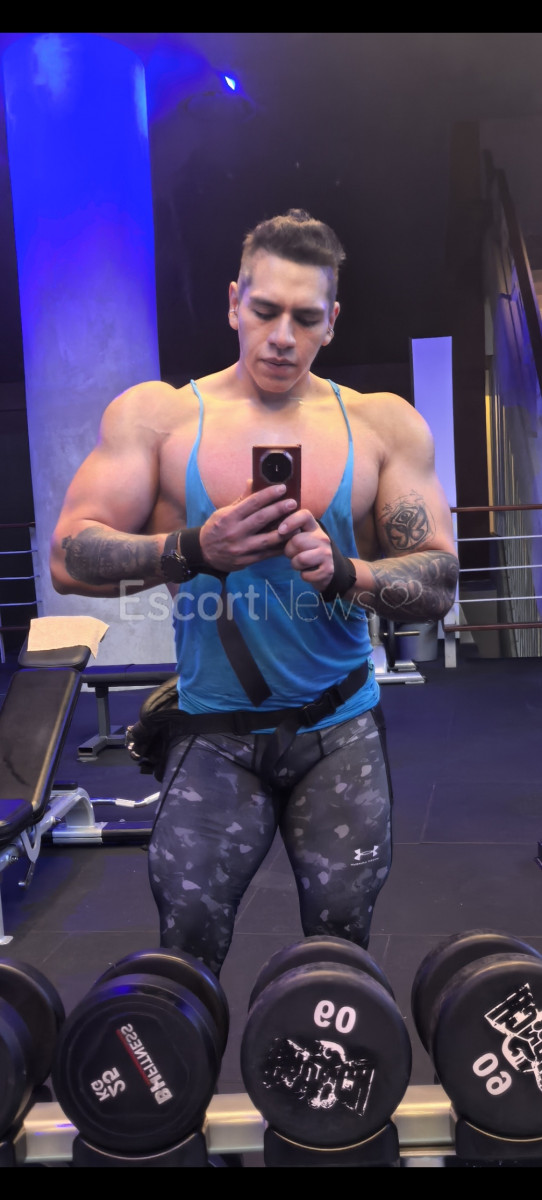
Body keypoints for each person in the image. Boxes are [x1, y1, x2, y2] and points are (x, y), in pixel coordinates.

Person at [50, 208, 458, 977]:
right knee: (187, 946)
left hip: (337, 729)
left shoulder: (382, 426)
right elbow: (69, 557)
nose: (282, 337)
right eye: (265, 310)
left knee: (340, 946)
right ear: (234, 302)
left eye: (305, 318)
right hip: (213, 733)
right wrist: (193, 549)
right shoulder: (162, 419)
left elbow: (439, 576)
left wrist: (347, 572)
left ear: (332, 322)